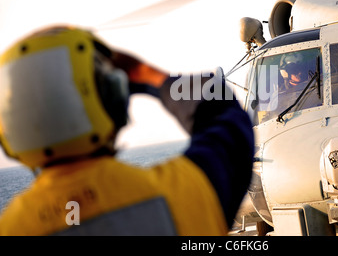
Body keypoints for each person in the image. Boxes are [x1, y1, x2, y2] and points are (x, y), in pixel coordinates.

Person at [0, 25, 254, 236]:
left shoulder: (10, 227)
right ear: (113, 98)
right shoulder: (182, 192)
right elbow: (225, 116)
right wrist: (146, 75)